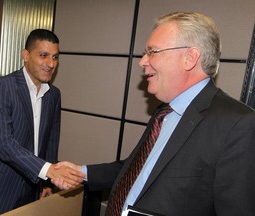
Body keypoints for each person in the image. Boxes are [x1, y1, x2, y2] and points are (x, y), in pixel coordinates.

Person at [52, 12, 255, 216]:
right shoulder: (164, 111)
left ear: (189, 58)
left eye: (153, 52)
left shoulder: (237, 124)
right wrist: (81, 172)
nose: (142, 61)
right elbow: (136, 169)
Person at [0, 29, 85, 216]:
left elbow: (51, 141)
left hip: (31, 188)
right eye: (43, 55)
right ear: (26, 55)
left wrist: (47, 182)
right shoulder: (2, 87)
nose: (51, 63)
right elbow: (3, 143)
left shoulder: (54, 95)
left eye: (55, 57)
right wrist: (49, 171)